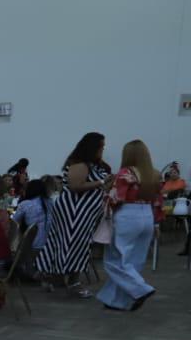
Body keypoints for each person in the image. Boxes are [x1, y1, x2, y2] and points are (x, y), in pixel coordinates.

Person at [37, 132, 112, 297]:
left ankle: (53, 276)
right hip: (74, 211)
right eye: (101, 145)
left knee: (74, 244)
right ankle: (72, 282)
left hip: (84, 212)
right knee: (73, 244)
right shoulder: (80, 164)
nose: (103, 148)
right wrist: (101, 182)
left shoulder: (93, 165)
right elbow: (75, 186)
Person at [98, 140, 161, 311]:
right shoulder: (154, 174)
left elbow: (115, 199)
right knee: (133, 261)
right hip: (147, 214)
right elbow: (158, 201)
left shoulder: (125, 173)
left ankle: (141, 289)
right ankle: (116, 300)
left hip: (127, 215)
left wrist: (107, 190)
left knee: (115, 260)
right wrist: (156, 223)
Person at [11, 178, 53, 269]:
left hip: (32, 246)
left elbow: (14, 222)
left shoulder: (26, 204)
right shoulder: (51, 202)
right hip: (50, 246)